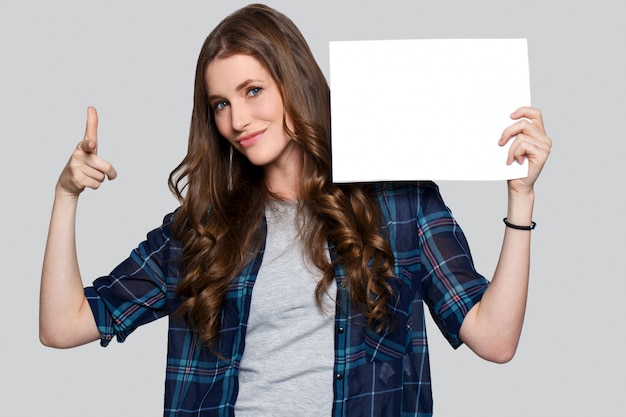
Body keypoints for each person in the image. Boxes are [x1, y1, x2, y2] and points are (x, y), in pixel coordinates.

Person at [39, 3, 552, 417]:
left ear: (295, 81)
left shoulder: (399, 202)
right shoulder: (205, 228)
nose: (237, 119)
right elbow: (63, 325)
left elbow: (494, 338)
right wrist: (66, 197)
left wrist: (521, 198)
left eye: (253, 90)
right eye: (220, 103)